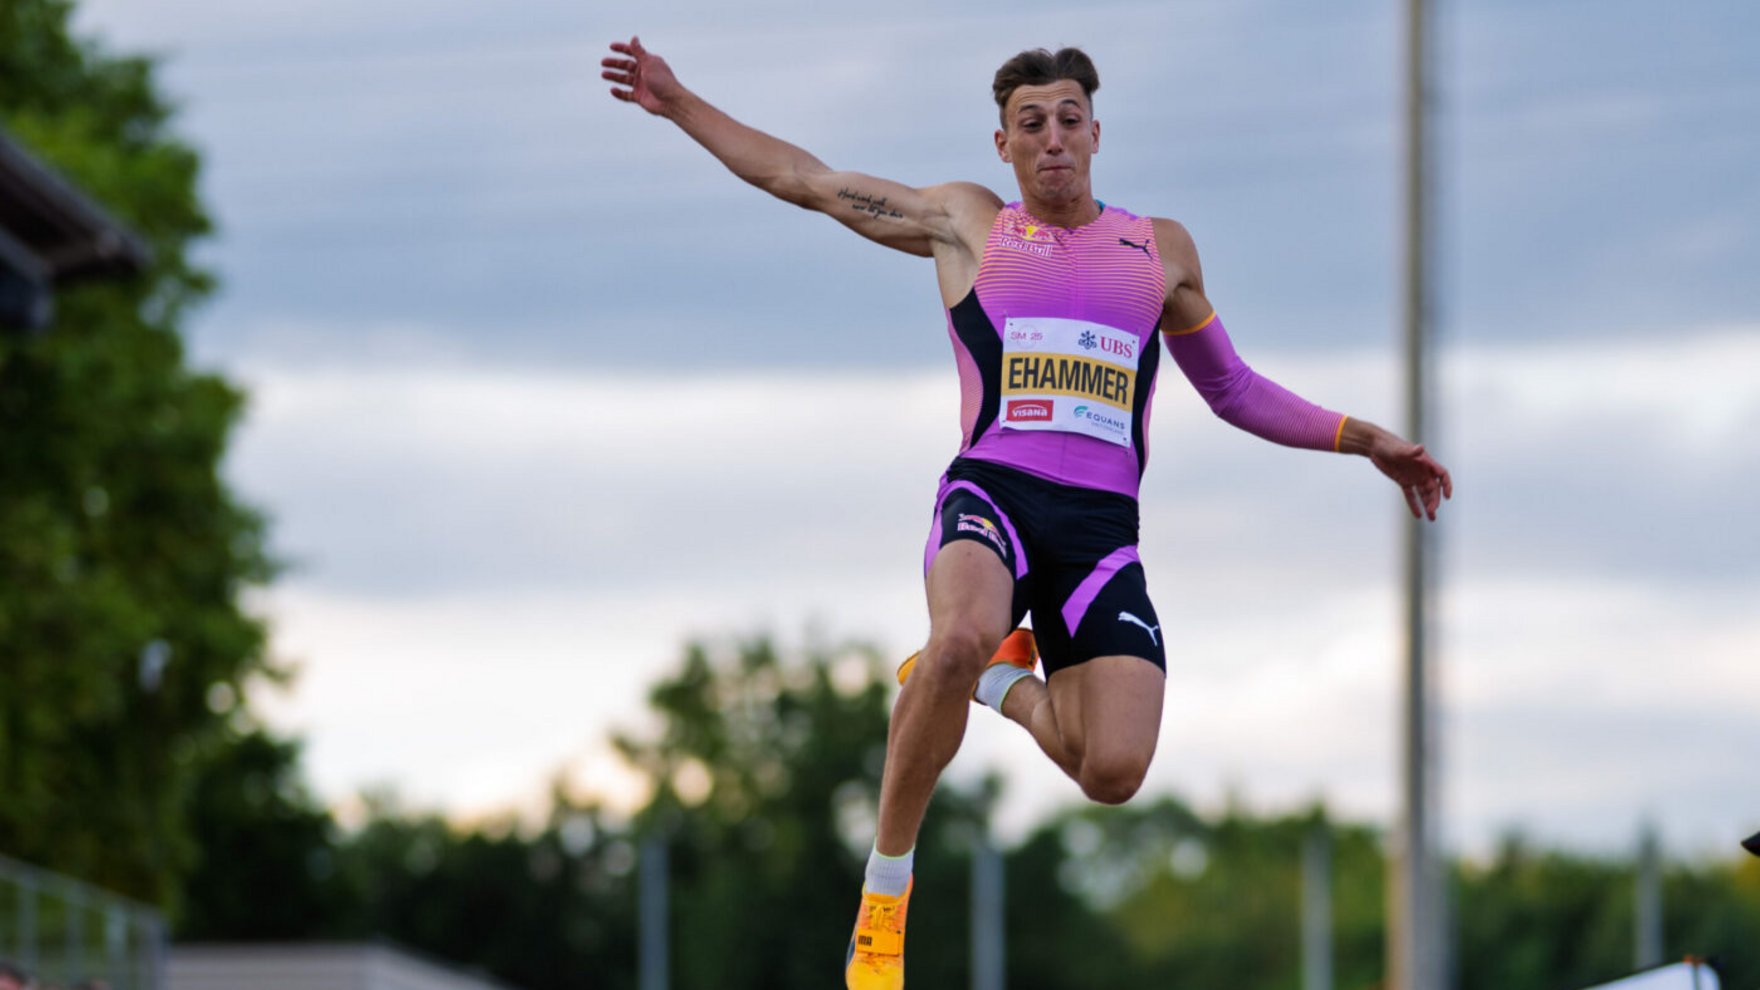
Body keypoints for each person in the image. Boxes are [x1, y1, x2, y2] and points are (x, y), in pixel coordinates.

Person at [603, 37, 1452, 990]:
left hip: (1098, 538)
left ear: (1097, 133)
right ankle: (886, 895)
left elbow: (1234, 389)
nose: (1052, 140)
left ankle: (1004, 685)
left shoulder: (1159, 251)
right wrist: (680, 104)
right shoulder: (969, 225)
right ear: (1003, 143)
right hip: (992, 498)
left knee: (1114, 770)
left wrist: (1362, 437)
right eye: (1031, 125)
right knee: (958, 634)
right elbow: (805, 179)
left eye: (1069, 121)